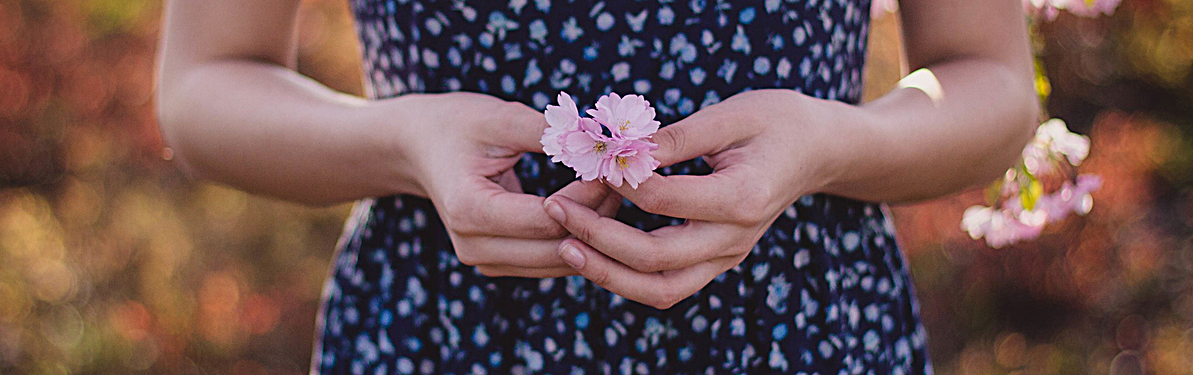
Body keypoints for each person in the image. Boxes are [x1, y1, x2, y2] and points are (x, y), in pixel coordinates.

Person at [156, 0, 1037, 373]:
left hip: (799, 336)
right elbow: (204, 88)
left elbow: (990, 85)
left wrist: (832, 141)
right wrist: (399, 139)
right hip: (444, 334)